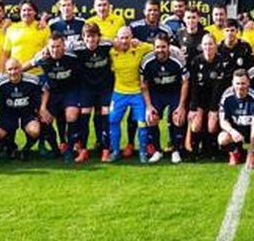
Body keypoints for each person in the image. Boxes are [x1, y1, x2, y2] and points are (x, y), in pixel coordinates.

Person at [107, 27, 154, 162]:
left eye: (127, 37)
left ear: (131, 37)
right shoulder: (111, 51)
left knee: (142, 123)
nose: (124, 41)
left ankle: (143, 152)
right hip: (119, 93)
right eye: (121, 38)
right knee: (113, 121)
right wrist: (111, 41)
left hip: (137, 93)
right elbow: (97, 41)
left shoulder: (139, 48)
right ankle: (116, 151)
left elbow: (157, 47)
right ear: (117, 38)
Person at [37, 34, 87, 162]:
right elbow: (28, 65)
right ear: (48, 47)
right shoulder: (43, 58)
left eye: (58, 46)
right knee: (44, 118)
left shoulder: (73, 57)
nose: (55, 49)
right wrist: (15, 71)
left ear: (64, 46)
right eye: (52, 47)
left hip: (71, 91)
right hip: (53, 93)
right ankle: (55, 149)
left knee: (71, 115)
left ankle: (70, 149)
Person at [140, 33, 188, 163]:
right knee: (151, 118)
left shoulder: (177, 59)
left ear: (168, 47)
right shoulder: (147, 60)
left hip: (174, 92)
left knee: (178, 118)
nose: (160, 50)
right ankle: (157, 150)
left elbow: (185, 83)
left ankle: (176, 150)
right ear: (153, 47)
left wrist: (181, 106)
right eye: (157, 47)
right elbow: (144, 84)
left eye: (163, 47)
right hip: (156, 93)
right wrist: (149, 106)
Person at [185, 33, 233, 162]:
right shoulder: (196, 61)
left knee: (212, 125)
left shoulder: (222, 62)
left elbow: (219, 88)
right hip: (200, 99)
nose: (208, 47)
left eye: (211, 44)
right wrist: (193, 107)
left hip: (216, 99)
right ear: (202, 46)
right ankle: (194, 151)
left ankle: (212, 151)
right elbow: (193, 86)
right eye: (205, 44)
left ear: (216, 46)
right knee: (196, 125)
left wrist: (214, 109)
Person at [75, 22, 114, 158]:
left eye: (94, 37)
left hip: (105, 86)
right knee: (84, 114)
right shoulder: (77, 48)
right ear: (83, 37)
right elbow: (57, 47)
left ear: (99, 37)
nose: (90, 40)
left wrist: (133, 42)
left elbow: (120, 43)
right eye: (87, 37)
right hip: (87, 87)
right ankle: (84, 149)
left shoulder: (106, 45)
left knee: (104, 112)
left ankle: (105, 148)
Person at [0, 56, 44, 159]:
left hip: (27, 114)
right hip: (9, 115)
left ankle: (26, 148)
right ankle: (10, 146)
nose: (13, 72)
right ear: (6, 71)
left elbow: (45, 91)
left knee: (35, 131)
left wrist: (42, 109)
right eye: (10, 69)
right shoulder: (0, 84)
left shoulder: (32, 80)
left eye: (16, 68)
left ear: (21, 68)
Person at [217, 69, 254, 167]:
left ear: (248, 83)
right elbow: (223, 121)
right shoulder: (226, 96)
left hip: (252, 131)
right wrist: (232, 131)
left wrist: (251, 150)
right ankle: (235, 152)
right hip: (236, 131)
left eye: (243, 83)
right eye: (237, 83)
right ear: (232, 83)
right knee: (222, 139)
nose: (240, 87)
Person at [4, 1, 51, 73]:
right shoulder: (12, 28)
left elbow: (48, 49)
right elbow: (6, 54)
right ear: (20, 13)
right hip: (16, 73)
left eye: (29, 10)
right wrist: (3, 72)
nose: (26, 13)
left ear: (35, 12)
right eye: (24, 10)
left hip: (37, 73)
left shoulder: (43, 28)